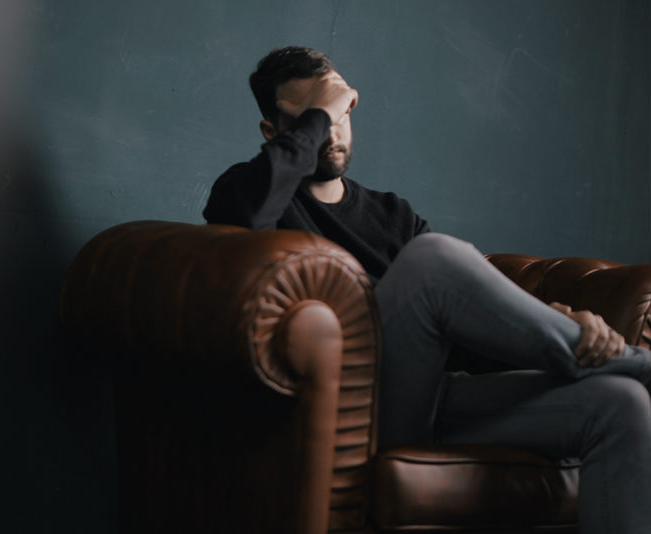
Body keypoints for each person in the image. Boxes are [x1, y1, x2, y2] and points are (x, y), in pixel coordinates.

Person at [203, 46, 651, 533]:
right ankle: (634, 362)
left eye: (341, 111)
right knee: (432, 257)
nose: (331, 130)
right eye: (315, 117)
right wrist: (322, 109)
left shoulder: (393, 214)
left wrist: (557, 320)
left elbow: (467, 315)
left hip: (434, 399)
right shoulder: (248, 193)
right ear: (273, 132)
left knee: (622, 404)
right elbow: (245, 216)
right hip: (356, 412)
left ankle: (612, 364)